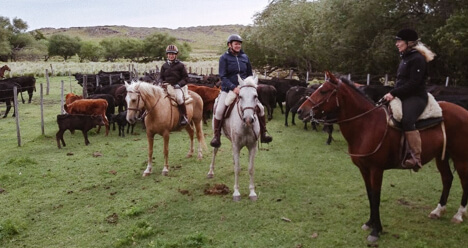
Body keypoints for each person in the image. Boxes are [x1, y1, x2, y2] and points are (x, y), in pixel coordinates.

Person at [383, 28, 436, 171]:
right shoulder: (406, 57)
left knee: (407, 120)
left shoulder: (417, 58)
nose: (397, 44)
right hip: (403, 95)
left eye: (399, 41)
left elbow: (414, 83)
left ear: (409, 42)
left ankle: (416, 157)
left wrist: (393, 92)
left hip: (416, 97)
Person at [210, 34, 273, 148]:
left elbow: (249, 74)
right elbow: (223, 76)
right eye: (236, 44)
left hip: (245, 90)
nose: (238, 45)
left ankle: (263, 134)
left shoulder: (245, 57)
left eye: (239, 44)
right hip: (228, 90)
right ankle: (216, 136)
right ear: (230, 45)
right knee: (219, 110)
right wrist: (234, 87)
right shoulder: (224, 58)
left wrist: (250, 85)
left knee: (261, 108)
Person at [159, 44, 189, 126]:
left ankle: (184, 116)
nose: (171, 56)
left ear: (176, 55)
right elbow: (161, 77)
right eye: (169, 54)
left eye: (172, 54)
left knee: (179, 99)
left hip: (177, 87)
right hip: (166, 86)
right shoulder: (164, 66)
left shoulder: (181, 65)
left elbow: (186, 78)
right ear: (167, 55)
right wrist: (161, 82)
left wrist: (179, 84)